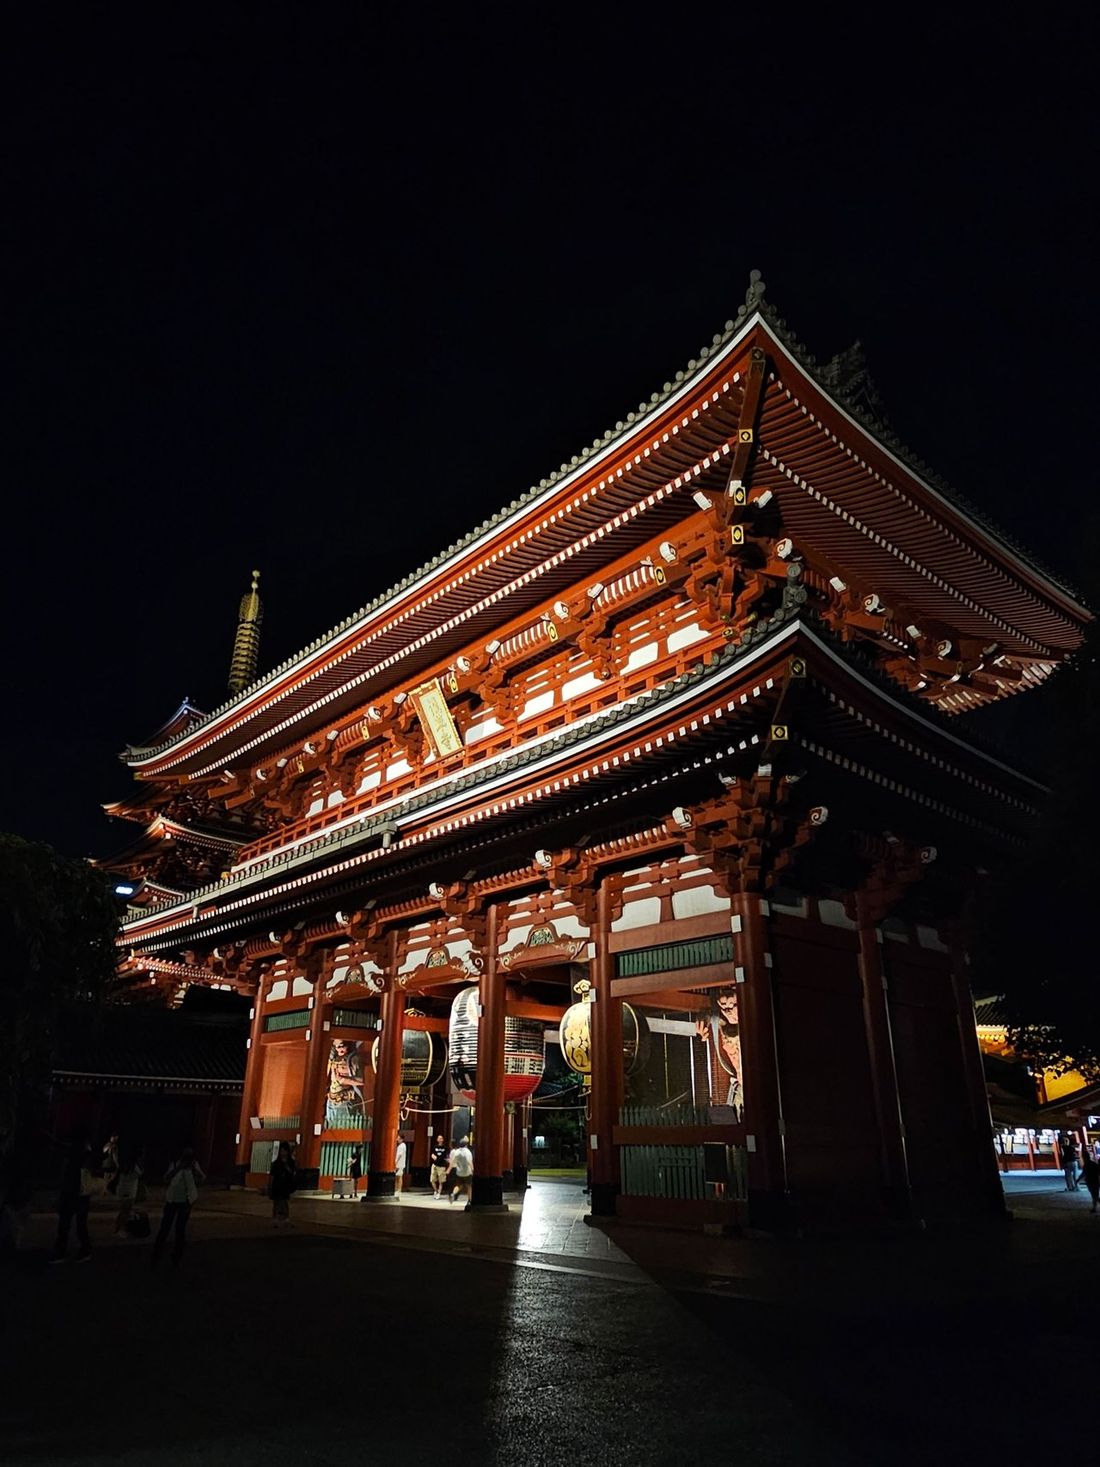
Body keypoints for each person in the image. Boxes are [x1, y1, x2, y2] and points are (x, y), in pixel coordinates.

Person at [152, 1147, 204, 1267]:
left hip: (185, 1201)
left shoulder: (194, 1165)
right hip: (172, 1200)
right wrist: (179, 1167)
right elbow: (167, 1178)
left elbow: (201, 1178)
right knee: (165, 1228)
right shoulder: (175, 1164)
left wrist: (193, 1169)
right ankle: (157, 1253)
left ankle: (176, 1256)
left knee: (180, 1230)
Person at [52, 1130, 95, 1263]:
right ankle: (82, 1250)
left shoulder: (75, 1152)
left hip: (75, 1190)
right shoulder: (84, 1152)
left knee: (67, 1223)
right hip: (80, 1191)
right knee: (77, 1223)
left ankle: (62, 1252)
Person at [326, 1039, 365, 1128]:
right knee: (331, 1130)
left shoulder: (353, 1059)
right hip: (331, 1100)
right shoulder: (333, 1059)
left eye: (342, 1045)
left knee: (345, 1129)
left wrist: (343, 1080)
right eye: (336, 1046)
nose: (339, 1049)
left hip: (344, 1100)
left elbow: (361, 1081)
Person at [114, 1145, 146, 1235]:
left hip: (126, 1189)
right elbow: (138, 1175)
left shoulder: (128, 1164)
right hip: (128, 1190)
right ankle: (119, 1230)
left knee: (124, 1211)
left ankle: (119, 1229)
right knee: (125, 1211)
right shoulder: (133, 1166)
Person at [269, 1141, 297, 1227]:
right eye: (281, 1151)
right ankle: (275, 1219)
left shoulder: (291, 1162)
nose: (283, 1153)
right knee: (276, 1202)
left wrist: (287, 1167)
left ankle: (286, 1219)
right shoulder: (276, 1163)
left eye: (285, 1151)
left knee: (284, 1201)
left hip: (285, 1185)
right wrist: (269, 1185)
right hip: (277, 1184)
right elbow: (272, 1175)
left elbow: (292, 1173)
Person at [448, 1136, 473, 1205]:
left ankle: (453, 1193)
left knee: (458, 1185)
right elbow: (469, 1162)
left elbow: (453, 1162)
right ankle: (469, 1200)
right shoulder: (468, 1152)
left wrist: (449, 1170)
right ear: (466, 1145)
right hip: (467, 1172)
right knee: (469, 1186)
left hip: (459, 1172)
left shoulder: (457, 1152)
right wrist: (473, 1169)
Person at [1080, 1148, 1100, 1214]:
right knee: (1095, 1195)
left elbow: (1083, 1173)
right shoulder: (1094, 1164)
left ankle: (1094, 1208)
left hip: (1090, 1181)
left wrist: (1078, 1179)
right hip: (1095, 1181)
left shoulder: (1086, 1165)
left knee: (1094, 1195)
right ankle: (1094, 1208)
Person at [430, 1134, 450, 1199]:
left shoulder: (445, 1148)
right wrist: (433, 1156)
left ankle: (439, 1193)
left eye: (441, 1138)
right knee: (432, 1180)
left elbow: (447, 1156)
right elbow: (432, 1154)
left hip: (442, 1166)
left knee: (441, 1181)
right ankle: (436, 1190)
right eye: (439, 1138)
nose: (440, 1139)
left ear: (443, 1140)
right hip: (435, 1165)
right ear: (437, 1139)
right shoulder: (435, 1147)